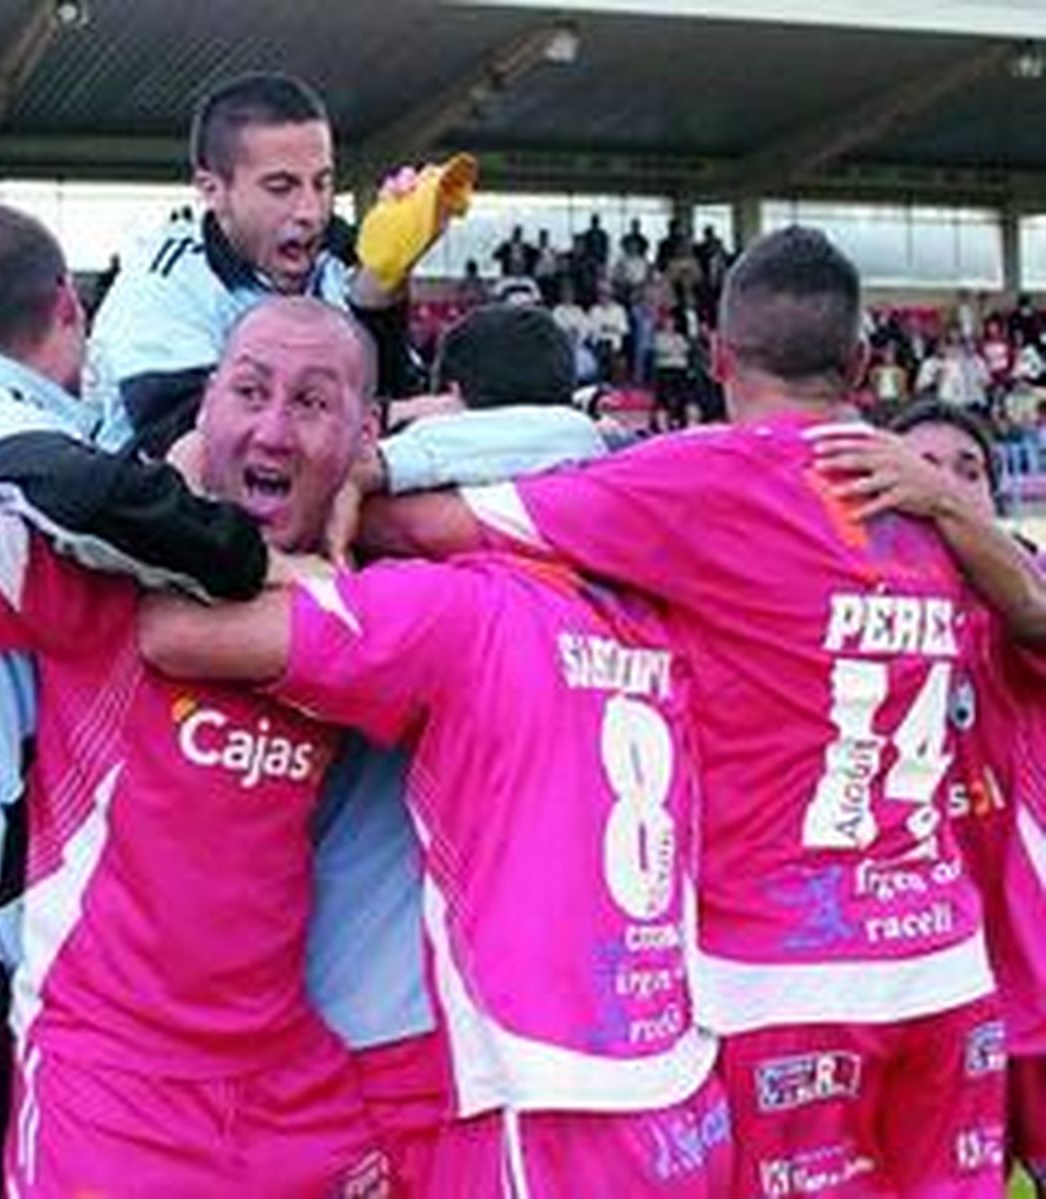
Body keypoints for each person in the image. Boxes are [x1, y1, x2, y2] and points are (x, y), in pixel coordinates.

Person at [0, 133, 396, 1192]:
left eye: (313, 402)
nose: (274, 427)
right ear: (201, 410)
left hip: (301, 1093)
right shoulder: (106, 581)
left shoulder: (383, 600)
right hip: (113, 1088)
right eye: (247, 389)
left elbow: (557, 469)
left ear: (362, 433)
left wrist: (398, 474)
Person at [354, 226, 1004, 1197]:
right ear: (864, 364)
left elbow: (420, 525)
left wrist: (371, 465)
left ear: (716, 357)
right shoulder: (940, 512)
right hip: (949, 967)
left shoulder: (706, 478)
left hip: (782, 982)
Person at [135, 336, 729, 1199]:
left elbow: (167, 630)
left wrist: (224, 479)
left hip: (449, 1071)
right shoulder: (649, 611)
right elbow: (586, 449)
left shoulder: (448, 607)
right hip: (659, 1066)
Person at [811, 403, 1046, 1193]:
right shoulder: (827, 607)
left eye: (965, 471)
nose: (936, 481)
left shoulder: (1018, 597)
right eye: (912, 465)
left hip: (1033, 992)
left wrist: (937, 501)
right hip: (902, 992)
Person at [87, 71, 458, 454]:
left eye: (322, 182)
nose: (311, 211)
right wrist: (386, 416)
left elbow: (400, 396)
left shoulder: (342, 251)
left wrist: (382, 287)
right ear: (212, 191)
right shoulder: (162, 287)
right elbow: (204, 442)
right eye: (281, 187)